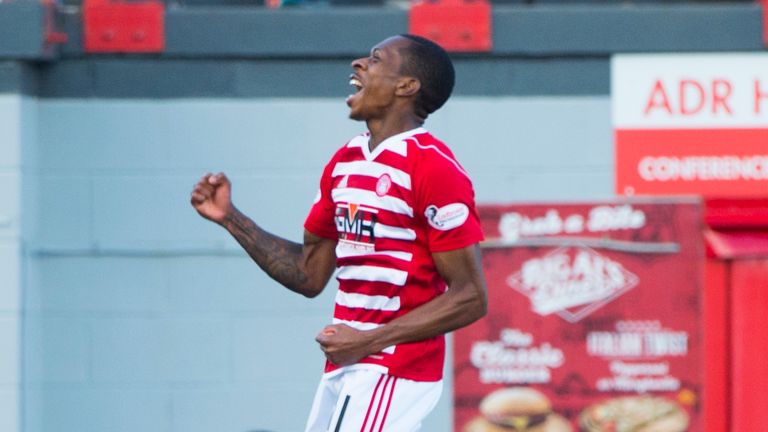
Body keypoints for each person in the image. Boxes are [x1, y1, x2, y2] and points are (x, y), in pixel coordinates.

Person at [190, 34, 488, 432]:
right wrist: (230, 218)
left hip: (393, 370)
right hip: (346, 366)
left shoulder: (433, 167)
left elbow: (470, 297)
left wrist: (368, 340)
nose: (358, 64)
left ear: (406, 86)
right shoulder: (345, 161)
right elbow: (309, 273)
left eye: (376, 59)